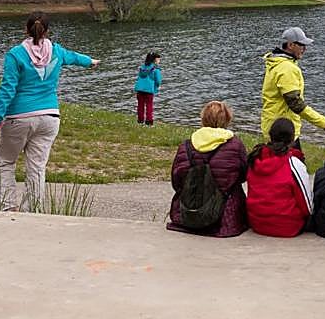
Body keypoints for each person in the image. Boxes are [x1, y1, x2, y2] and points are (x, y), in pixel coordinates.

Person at [0, 12, 99, 212]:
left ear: (26, 29)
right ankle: (33, 210)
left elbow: (8, 88)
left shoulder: (15, 55)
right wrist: (90, 61)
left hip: (18, 118)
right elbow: (74, 57)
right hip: (49, 118)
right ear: (47, 31)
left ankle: (6, 208)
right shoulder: (56, 51)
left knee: (5, 162)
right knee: (36, 168)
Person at [167, 100, 248, 237]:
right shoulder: (235, 145)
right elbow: (243, 176)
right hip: (224, 218)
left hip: (186, 214)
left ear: (203, 119)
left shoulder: (186, 146)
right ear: (227, 119)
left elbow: (177, 181)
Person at [260, 26, 325, 145]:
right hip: (283, 131)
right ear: (290, 45)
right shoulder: (287, 68)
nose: (305, 49)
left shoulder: (276, 63)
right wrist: (322, 122)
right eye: (302, 45)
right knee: (295, 163)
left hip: (274, 126)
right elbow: (295, 103)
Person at [245, 118, 313, 237]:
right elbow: (307, 205)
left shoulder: (255, 159)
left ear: (270, 136)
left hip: (257, 223)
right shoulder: (293, 163)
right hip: (287, 227)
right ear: (292, 139)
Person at [133, 52, 162, 126]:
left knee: (140, 105)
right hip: (149, 90)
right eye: (158, 60)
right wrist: (158, 85)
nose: (159, 61)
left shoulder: (142, 68)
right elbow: (158, 80)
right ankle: (149, 121)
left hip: (140, 89)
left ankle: (140, 120)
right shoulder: (156, 69)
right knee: (149, 106)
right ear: (155, 60)